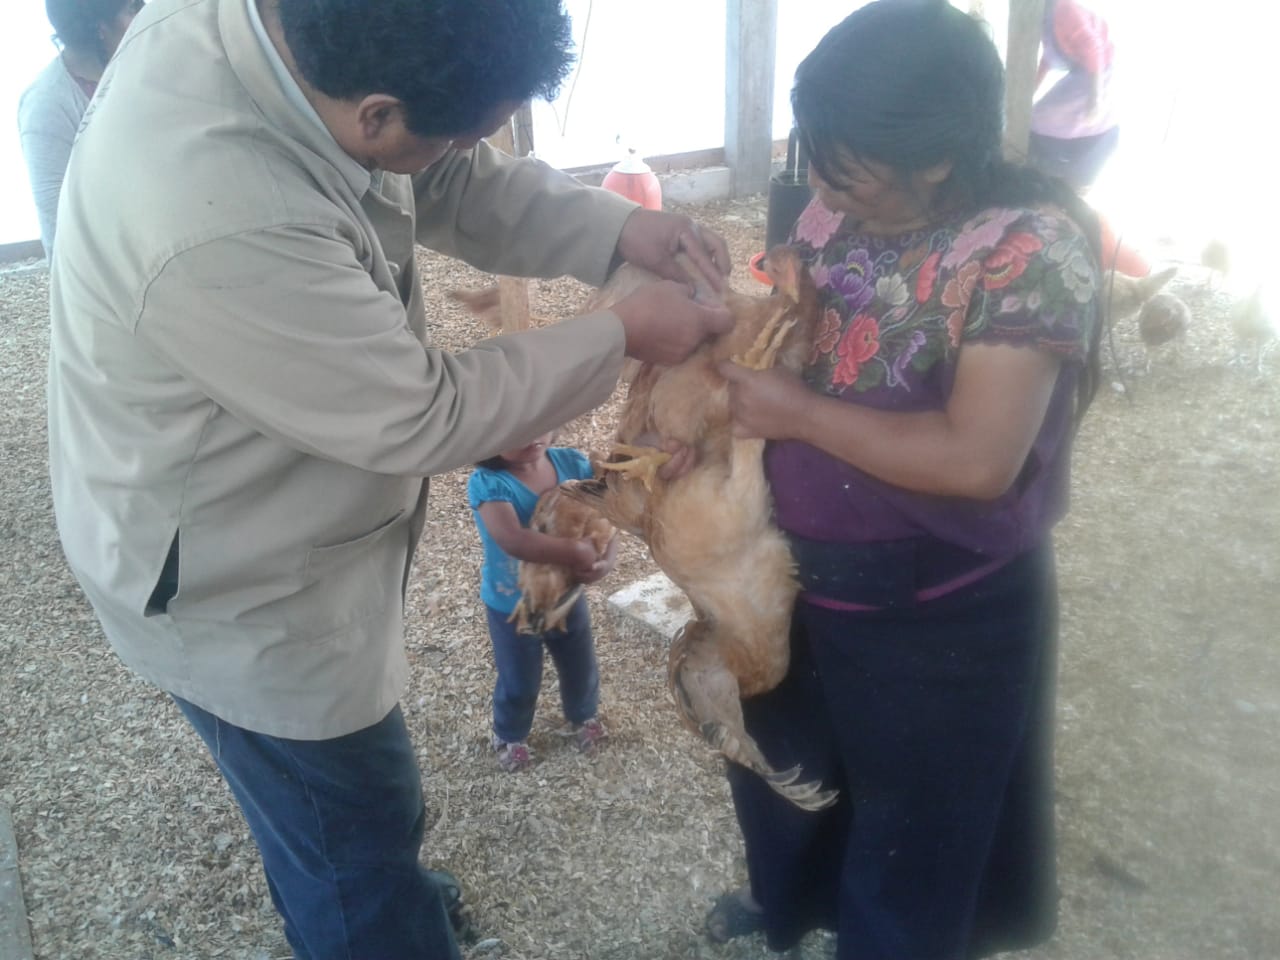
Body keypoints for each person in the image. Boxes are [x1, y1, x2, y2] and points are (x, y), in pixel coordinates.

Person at [45, 0, 733, 957]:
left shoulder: (318, 46)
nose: (458, 155)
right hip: (226, 579)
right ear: (375, 116)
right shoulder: (214, 211)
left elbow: (443, 172)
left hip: (269, 488)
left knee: (354, 813)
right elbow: (419, 410)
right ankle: (372, 915)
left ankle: (380, 888)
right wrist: (620, 333)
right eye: (452, 134)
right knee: (348, 823)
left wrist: (617, 230)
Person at [705, 2, 1103, 958]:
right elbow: (797, 332)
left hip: (937, 612)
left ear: (936, 158)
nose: (823, 191)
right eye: (817, 159)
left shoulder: (1026, 249)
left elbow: (977, 460)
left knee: (916, 828)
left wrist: (797, 415)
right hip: (795, 580)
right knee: (795, 783)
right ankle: (800, 906)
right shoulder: (833, 210)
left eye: (848, 169)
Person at [468, 431, 616, 772]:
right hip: (513, 606)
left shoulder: (573, 464)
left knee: (580, 666)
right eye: (516, 429)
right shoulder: (489, 484)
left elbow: (607, 517)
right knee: (519, 679)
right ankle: (510, 733)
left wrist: (606, 561)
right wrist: (574, 551)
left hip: (567, 596)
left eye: (540, 421)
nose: (532, 434)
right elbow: (513, 540)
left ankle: (583, 715)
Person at [1027, 0, 1147, 276]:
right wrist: (1025, 95)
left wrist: (1095, 99)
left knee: (1050, 121)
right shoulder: (1043, 19)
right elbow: (1047, 59)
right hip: (1082, 76)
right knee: (1039, 118)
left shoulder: (1064, 9)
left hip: (1096, 76)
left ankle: (1067, 179)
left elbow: (1093, 49)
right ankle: (1064, 179)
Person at [17, 0, 144, 258]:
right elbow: (61, 229)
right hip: (113, 267)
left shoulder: (147, 68)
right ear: (99, 28)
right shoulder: (47, 105)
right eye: (133, 8)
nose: (146, 15)